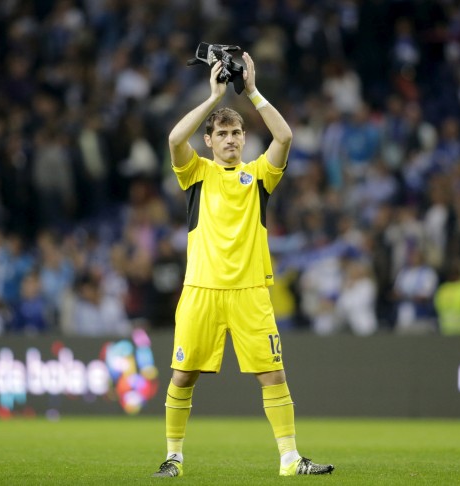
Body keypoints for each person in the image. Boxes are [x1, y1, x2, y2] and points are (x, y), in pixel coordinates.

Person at [152, 52, 335, 478]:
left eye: (237, 133)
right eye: (223, 133)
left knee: (273, 376)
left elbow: (285, 138)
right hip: (202, 290)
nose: (232, 139)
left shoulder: (259, 177)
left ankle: (290, 459)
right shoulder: (195, 173)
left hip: (252, 292)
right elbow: (175, 139)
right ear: (210, 141)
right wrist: (213, 96)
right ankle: (173, 457)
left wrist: (251, 91)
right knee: (182, 377)